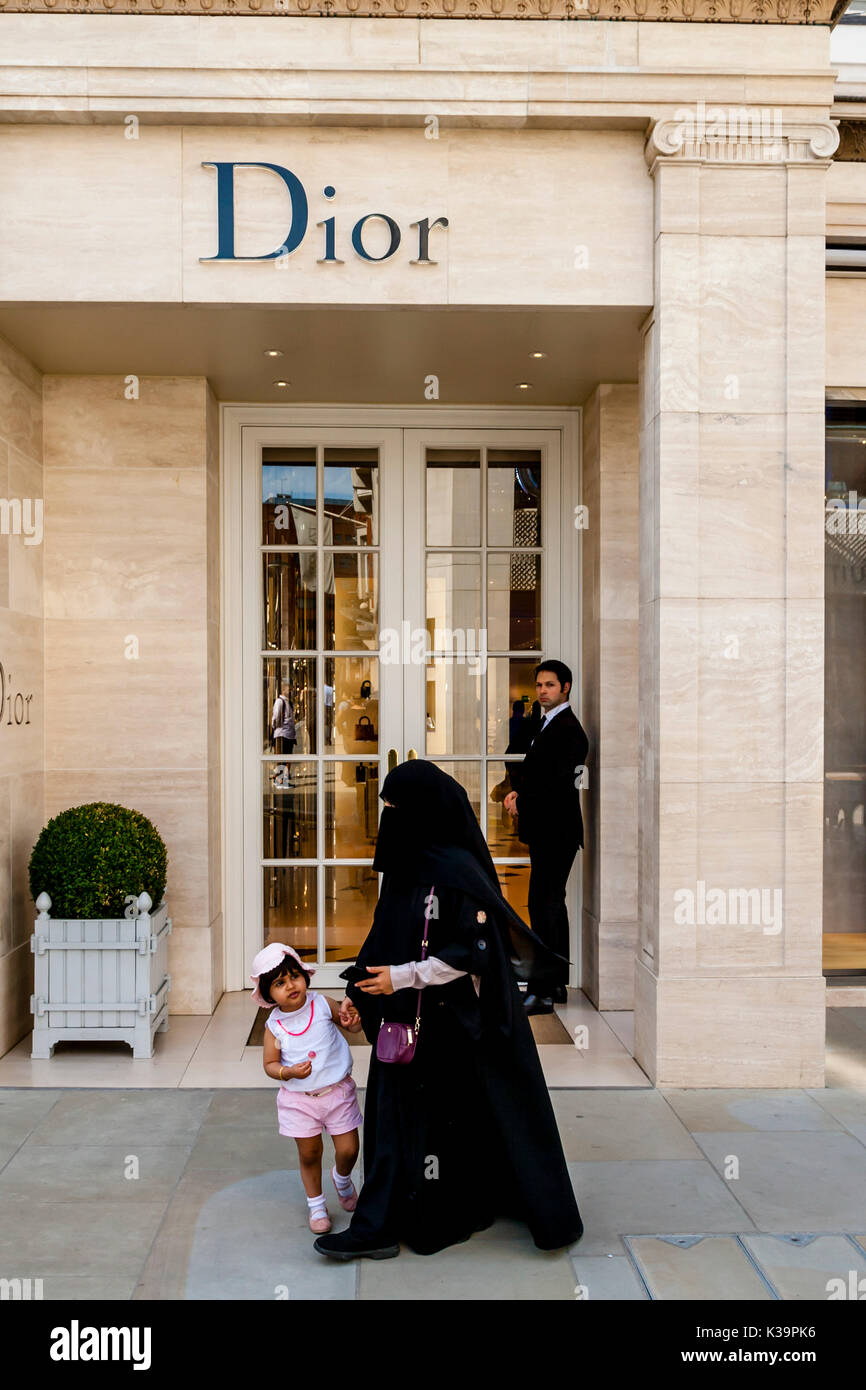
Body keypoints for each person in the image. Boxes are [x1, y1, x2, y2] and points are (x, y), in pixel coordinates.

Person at [312, 759, 583, 1262]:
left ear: (423, 810)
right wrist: (359, 987)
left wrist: (402, 976)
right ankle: (379, 1222)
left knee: (438, 1127)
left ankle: (423, 1216)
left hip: (446, 1025)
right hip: (402, 1021)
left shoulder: (458, 872)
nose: (388, 816)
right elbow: (384, 931)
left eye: (396, 807)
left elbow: (472, 954)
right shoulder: (406, 863)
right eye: (385, 806)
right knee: (391, 1120)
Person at [251, 942, 365, 1234]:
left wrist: (353, 1022)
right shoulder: (274, 1027)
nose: (290, 985)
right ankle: (316, 1205)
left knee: (349, 1149)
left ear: (305, 976)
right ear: (268, 994)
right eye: (279, 982)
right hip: (299, 1101)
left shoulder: (322, 1004)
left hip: (338, 1093)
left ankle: (341, 1178)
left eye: (294, 976)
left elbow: (349, 1024)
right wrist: (286, 1072)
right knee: (309, 1153)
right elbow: (270, 1064)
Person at [504, 660, 589, 1016]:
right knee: (551, 904)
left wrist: (521, 798)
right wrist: (516, 792)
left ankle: (542, 990)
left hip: (557, 831)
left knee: (544, 906)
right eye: (539, 685)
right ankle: (554, 982)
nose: (542, 691)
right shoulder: (546, 723)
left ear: (565, 688)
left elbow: (555, 785)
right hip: (549, 830)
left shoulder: (569, 730)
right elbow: (535, 772)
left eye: (550, 685)